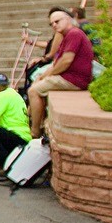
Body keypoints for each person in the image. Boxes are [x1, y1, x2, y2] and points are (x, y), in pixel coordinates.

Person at [27, 7, 96, 137]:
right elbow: (58, 62)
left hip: (74, 80)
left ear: (68, 19)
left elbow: (66, 61)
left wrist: (47, 75)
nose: (54, 25)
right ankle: (38, 123)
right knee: (37, 84)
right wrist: (43, 76)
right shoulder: (67, 36)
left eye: (57, 21)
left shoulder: (74, 33)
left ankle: (35, 131)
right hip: (69, 77)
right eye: (51, 23)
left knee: (33, 91)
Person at [0, 72, 31, 172]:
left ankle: (2, 162)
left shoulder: (2, 96)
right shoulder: (13, 94)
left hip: (18, 137)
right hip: (23, 137)